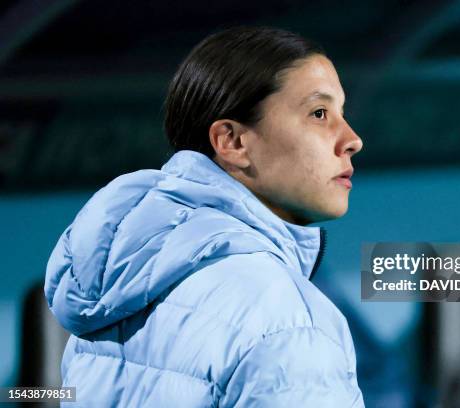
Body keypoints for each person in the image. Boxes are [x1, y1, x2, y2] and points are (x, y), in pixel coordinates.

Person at [44, 26, 364, 407]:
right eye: (319, 113)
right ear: (232, 141)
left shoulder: (110, 290)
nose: (352, 139)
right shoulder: (285, 320)